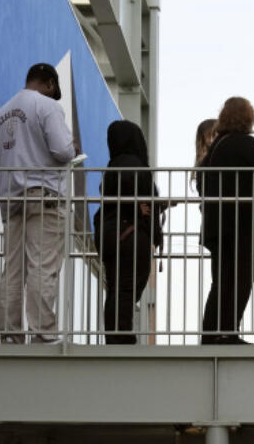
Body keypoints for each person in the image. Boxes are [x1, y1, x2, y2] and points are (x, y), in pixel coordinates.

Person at [0, 63, 77, 344]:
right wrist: (73, 149)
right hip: (44, 195)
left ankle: (10, 334)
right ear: (49, 84)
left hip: (11, 198)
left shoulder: (1, 114)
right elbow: (62, 151)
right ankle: (42, 331)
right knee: (42, 265)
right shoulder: (47, 107)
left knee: (12, 269)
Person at [199, 97, 254, 345]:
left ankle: (212, 333)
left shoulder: (216, 148)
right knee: (243, 277)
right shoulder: (247, 144)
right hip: (244, 224)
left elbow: (203, 182)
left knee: (221, 280)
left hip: (218, 226)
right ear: (248, 118)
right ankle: (228, 331)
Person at [92, 120, 162, 344]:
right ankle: (121, 336)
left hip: (114, 235)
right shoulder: (133, 165)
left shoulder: (114, 166)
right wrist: (153, 230)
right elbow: (143, 201)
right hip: (130, 236)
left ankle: (117, 334)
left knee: (115, 288)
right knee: (126, 289)